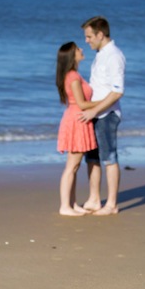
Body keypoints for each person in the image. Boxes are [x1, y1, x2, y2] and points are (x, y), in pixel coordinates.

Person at [77, 16, 126, 215]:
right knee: (92, 158)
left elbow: (117, 91)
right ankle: (94, 199)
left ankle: (112, 204)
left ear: (100, 34)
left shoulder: (114, 56)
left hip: (107, 115)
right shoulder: (101, 54)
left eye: (89, 37)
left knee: (109, 158)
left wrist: (94, 111)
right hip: (94, 114)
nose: (86, 41)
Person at [55, 42, 99, 215]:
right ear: (72, 56)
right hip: (77, 119)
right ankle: (65, 206)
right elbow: (81, 103)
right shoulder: (73, 76)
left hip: (77, 118)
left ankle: (72, 204)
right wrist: (107, 101)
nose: (82, 50)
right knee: (71, 166)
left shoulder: (73, 75)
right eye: (78, 49)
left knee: (74, 166)